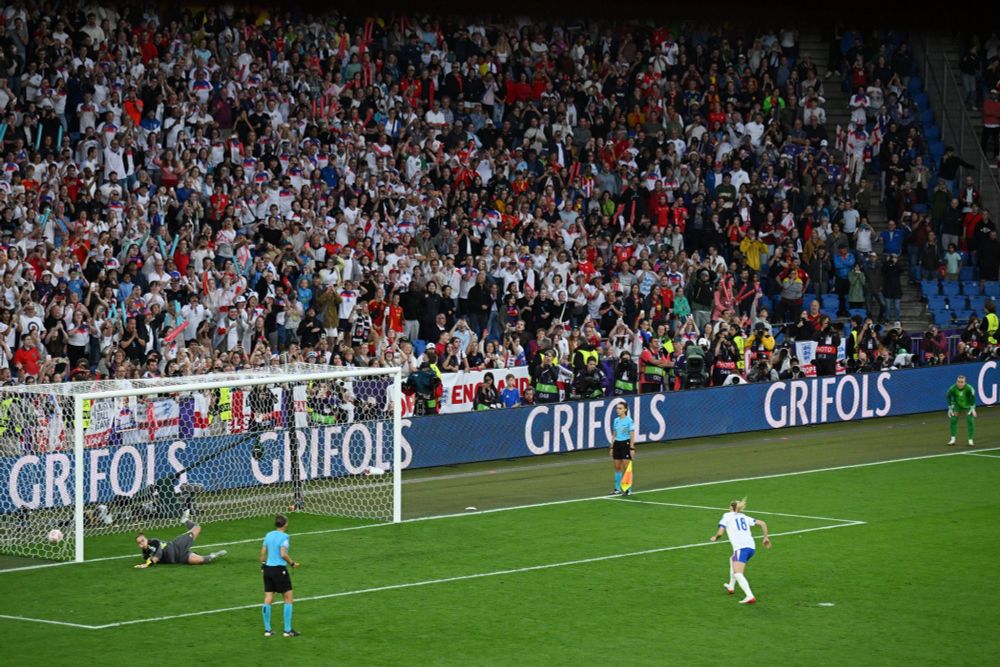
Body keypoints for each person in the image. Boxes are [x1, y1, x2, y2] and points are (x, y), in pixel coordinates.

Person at [709, 498, 772, 604]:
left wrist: (715, 537)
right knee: (732, 559)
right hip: (751, 548)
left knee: (738, 573)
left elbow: (720, 532)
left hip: (741, 548)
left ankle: (749, 596)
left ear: (730, 507)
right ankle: (731, 586)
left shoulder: (727, 516)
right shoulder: (744, 517)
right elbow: (763, 523)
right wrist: (765, 538)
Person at [261, 514, 301, 638]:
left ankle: (267, 630)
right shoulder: (284, 537)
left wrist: (263, 565)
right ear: (285, 524)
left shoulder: (268, 535)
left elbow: (263, 552)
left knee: (268, 598)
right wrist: (292, 563)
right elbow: (283, 554)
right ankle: (287, 630)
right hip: (279, 570)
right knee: (288, 598)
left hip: (267, 569)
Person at [134, 520, 226, 567]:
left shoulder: (154, 541)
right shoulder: (145, 555)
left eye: (143, 540)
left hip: (177, 546)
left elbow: (158, 554)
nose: (142, 543)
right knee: (200, 561)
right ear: (138, 545)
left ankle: (185, 520)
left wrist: (147, 564)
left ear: (146, 539)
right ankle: (214, 555)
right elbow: (151, 559)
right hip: (179, 558)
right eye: (139, 543)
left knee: (197, 528)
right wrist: (148, 562)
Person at [608, 402, 635, 496]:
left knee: (627, 467)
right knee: (617, 467)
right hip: (617, 444)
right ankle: (617, 489)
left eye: (620, 408)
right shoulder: (616, 420)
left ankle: (628, 489)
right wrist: (611, 446)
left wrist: (632, 448)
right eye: (617, 408)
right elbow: (614, 434)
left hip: (626, 444)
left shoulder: (629, 421)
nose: (618, 410)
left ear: (625, 410)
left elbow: (632, 435)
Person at [946, 375, 977, 447]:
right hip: (957, 405)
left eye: (961, 382)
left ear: (965, 382)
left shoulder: (969, 389)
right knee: (953, 420)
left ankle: (970, 440)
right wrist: (950, 408)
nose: (959, 384)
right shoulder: (952, 388)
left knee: (970, 421)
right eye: (958, 382)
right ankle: (953, 440)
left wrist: (972, 408)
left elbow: (972, 399)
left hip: (968, 405)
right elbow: (948, 396)